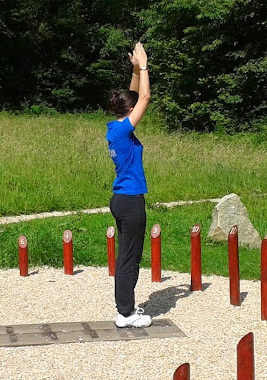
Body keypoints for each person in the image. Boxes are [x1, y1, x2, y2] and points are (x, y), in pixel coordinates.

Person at [106, 42, 151, 328]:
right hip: (131, 201)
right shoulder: (123, 130)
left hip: (121, 199)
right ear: (131, 111)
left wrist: (134, 69)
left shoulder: (115, 127)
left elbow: (135, 96)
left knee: (127, 254)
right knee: (129, 258)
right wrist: (145, 66)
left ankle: (125, 308)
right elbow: (144, 97)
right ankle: (125, 312)